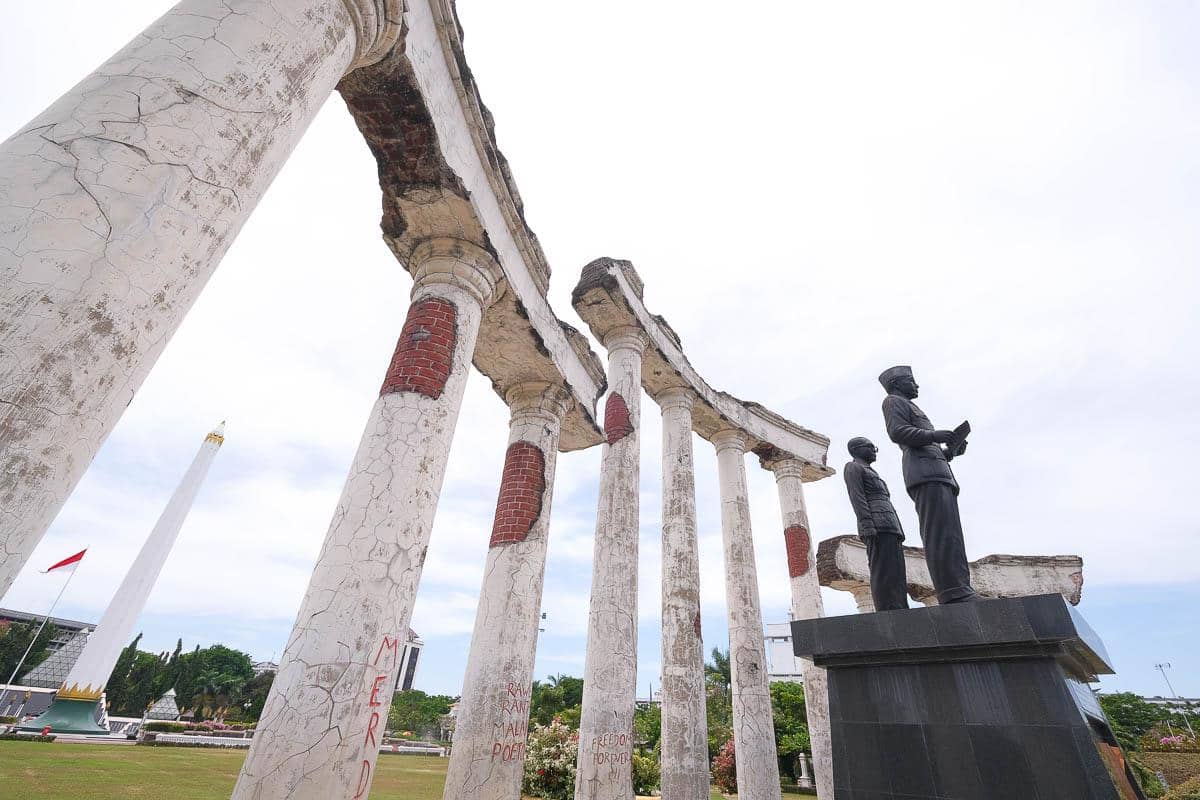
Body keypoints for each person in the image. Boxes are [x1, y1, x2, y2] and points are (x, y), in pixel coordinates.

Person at [879, 365, 979, 604]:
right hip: (923, 471)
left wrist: (950, 450)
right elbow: (898, 432)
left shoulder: (911, 405)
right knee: (940, 533)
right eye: (911, 380)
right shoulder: (893, 401)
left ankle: (962, 588)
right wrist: (936, 436)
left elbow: (922, 440)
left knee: (953, 535)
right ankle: (953, 592)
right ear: (896, 384)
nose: (917, 385)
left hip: (938, 469)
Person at [842, 436, 908, 611]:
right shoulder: (853, 467)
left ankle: (900, 606)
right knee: (883, 571)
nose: (874, 450)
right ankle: (888, 609)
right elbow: (857, 497)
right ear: (856, 449)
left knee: (897, 572)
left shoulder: (870, 471)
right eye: (870, 447)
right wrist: (867, 524)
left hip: (891, 525)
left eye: (874, 447)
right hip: (877, 526)